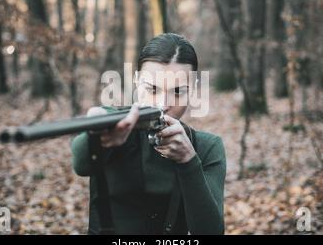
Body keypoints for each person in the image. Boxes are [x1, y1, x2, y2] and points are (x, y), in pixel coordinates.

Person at [71, 33, 226, 234]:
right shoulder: (115, 123)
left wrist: (188, 160)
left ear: (193, 89)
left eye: (178, 92)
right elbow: (81, 164)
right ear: (136, 80)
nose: (163, 104)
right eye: (152, 89)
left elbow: (211, 231)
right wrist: (100, 138)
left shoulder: (206, 147)